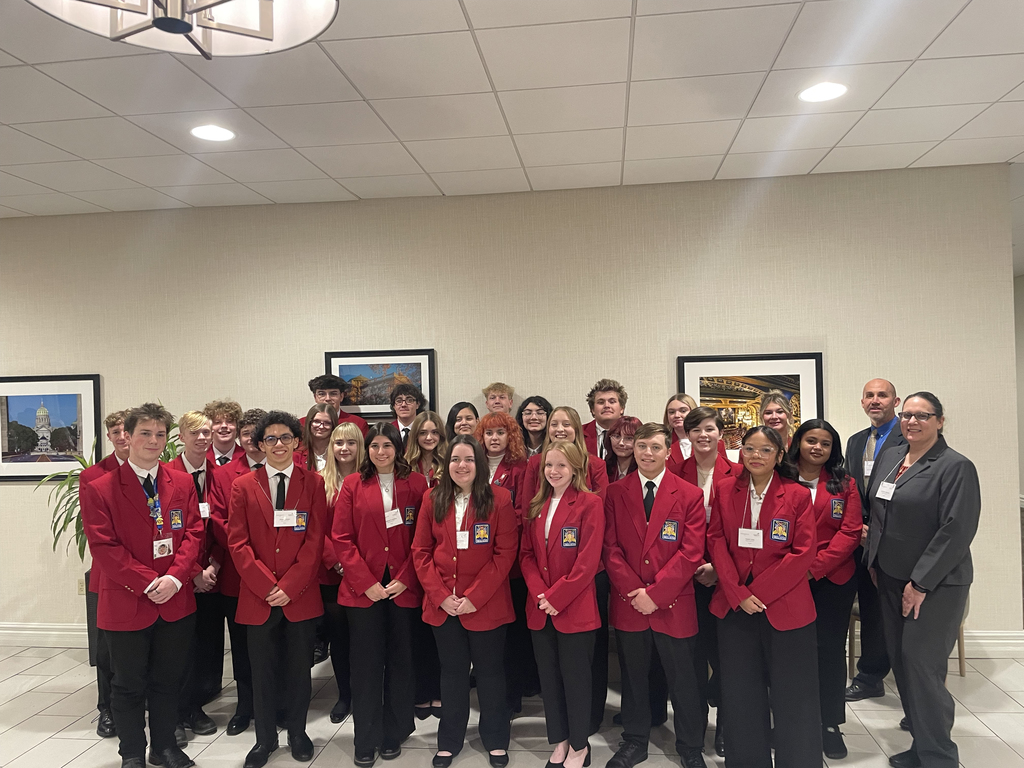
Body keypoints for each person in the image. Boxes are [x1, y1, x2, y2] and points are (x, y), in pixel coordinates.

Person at [81, 403, 204, 768]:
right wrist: (150, 581)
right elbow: (104, 547)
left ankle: (164, 747)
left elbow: (194, 531)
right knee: (128, 684)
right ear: (127, 438)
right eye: (145, 434)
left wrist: (174, 577)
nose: (153, 440)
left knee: (168, 681)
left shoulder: (180, 481)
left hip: (174, 599)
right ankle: (132, 752)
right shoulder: (100, 487)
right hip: (128, 601)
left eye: (160, 434)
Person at [864, 392, 980, 768]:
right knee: (901, 661)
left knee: (922, 666)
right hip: (891, 577)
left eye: (922, 416)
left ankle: (939, 757)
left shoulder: (954, 466)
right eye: (908, 415)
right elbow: (879, 513)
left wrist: (921, 584)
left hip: (935, 586)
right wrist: (873, 560)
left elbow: (955, 530)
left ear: (940, 421)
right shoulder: (893, 457)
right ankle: (921, 742)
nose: (912, 422)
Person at [707, 426, 821, 768]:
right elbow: (716, 542)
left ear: (780, 455)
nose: (756, 456)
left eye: (765, 450)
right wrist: (738, 593)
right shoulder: (725, 489)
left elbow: (803, 553)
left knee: (794, 695)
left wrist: (758, 593)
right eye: (749, 449)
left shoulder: (798, 494)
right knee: (741, 694)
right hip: (735, 607)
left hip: (785, 608)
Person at [603, 423, 708, 768]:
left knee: (684, 681)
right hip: (630, 601)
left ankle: (690, 746)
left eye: (655, 447)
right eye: (642, 446)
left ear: (668, 452)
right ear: (633, 449)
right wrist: (636, 591)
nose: (648, 453)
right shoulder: (616, 492)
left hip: (674, 604)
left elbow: (691, 552)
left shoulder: (689, 494)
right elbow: (610, 548)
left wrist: (656, 594)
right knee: (633, 679)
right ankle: (635, 741)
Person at [227, 411, 326, 768]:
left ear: (297, 442)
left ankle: (298, 733)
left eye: (285, 437)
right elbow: (237, 542)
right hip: (258, 597)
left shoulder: (313, 483)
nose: (279, 444)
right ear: (260, 445)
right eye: (271, 439)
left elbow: (315, 542)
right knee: (262, 671)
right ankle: (265, 739)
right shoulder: (243, 485)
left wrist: (290, 586)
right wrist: (268, 586)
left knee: (300, 671)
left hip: (300, 596)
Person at [412, 436, 517, 768]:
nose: (461, 465)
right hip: (443, 605)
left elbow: (505, 555)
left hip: (485, 604)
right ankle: (449, 740)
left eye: (469, 459)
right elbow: (420, 552)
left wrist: (474, 597)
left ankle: (496, 739)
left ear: (479, 464)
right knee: (452, 674)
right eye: (455, 459)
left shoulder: (499, 499)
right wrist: (441, 597)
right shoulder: (432, 498)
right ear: (447, 464)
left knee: (490, 674)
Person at [332, 423, 428, 766]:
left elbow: (424, 537)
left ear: (398, 448)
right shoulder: (352, 484)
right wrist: (364, 580)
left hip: (403, 588)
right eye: (375, 446)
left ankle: (395, 731)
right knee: (366, 665)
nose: (381, 452)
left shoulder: (417, 483)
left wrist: (405, 578)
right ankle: (365, 737)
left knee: (402, 662)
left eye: (388, 445)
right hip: (364, 591)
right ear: (367, 450)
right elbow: (341, 537)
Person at [517, 406, 609, 733]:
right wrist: (541, 593)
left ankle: (579, 743)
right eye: (549, 465)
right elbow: (527, 553)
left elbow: (587, 560)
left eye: (561, 465)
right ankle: (558, 739)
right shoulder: (537, 504)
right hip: (541, 602)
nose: (554, 471)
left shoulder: (590, 502)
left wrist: (557, 595)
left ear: (575, 467)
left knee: (577, 676)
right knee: (550, 679)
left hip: (574, 601)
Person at [788, 419, 862, 760]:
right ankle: (790, 721)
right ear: (798, 442)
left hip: (832, 580)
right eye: (811, 440)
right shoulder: (780, 477)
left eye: (826, 443)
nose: (817, 447)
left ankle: (829, 724)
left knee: (829, 653)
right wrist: (793, 570)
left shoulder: (843, 483)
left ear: (834, 450)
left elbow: (850, 533)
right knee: (789, 653)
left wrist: (814, 569)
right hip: (786, 581)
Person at [670, 406, 740, 758]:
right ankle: (693, 728)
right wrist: (695, 565)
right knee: (692, 659)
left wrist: (717, 568)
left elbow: (741, 530)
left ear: (719, 434)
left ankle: (726, 725)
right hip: (686, 578)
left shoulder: (739, 472)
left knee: (726, 657)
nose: (702, 435)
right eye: (694, 430)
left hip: (726, 578)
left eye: (709, 429)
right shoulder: (674, 471)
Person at [844, 379, 906, 703]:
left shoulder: (909, 438)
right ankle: (869, 676)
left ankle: (878, 675)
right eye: (870, 395)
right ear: (862, 402)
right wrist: (857, 525)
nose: (875, 400)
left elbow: (912, 494)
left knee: (882, 611)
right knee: (866, 604)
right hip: (858, 538)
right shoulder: (855, 442)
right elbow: (850, 488)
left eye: (882, 395)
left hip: (891, 540)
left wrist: (879, 529)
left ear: (896, 401)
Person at [209, 408, 265, 737]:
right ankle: (245, 707)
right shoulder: (223, 474)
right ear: (242, 438)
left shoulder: (288, 470)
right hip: (238, 575)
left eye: (258, 432)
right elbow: (218, 521)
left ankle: (277, 704)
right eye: (246, 433)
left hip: (278, 575)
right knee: (242, 647)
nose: (251, 438)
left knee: (275, 645)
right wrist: (251, 552)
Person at [171, 411, 227, 740]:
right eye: (195, 432)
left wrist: (214, 567)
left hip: (213, 575)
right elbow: (173, 533)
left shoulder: (219, 474)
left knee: (207, 644)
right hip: (179, 577)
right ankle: (175, 713)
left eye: (207, 431)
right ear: (181, 436)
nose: (203, 437)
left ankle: (195, 706)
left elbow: (227, 528)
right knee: (178, 648)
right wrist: (193, 573)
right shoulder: (168, 475)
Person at [475, 411, 535, 715]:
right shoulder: (471, 466)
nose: (494, 438)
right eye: (489, 433)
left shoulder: (521, 469)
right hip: (475, 564)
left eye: (500, 432)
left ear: (510, 436)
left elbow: (523, 511)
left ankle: (513, 695)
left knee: (512, 635)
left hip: (508, 564)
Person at [79, 408, 132, 741]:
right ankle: (107, 710)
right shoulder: (94, 477)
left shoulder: (160, 471)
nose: (123, 436)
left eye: (129, 430)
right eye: (116, 431)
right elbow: (99, 535)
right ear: (109, 437)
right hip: (110, 575)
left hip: (151, 577)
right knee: (107, 650)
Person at [318, 421, 365, 725]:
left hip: (365, 573)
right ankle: (345, 694)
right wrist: (337, 560)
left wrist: (357, 566)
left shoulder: (371, 480)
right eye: (338, 443)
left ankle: (366, 692)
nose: (344, 449)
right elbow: (314, 529)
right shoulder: (319, 482)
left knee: (364, 637)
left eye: (351, 443)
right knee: (340, 638)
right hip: (332, 573)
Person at [582, 379, 627, 459]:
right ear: (592, 409)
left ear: (622, 408)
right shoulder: (579, 434)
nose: (606, 406)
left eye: (612, 402)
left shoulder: (634, 434)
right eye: (601, 402)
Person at [406, 411, 447, 488]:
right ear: (416, 436)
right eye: (423, 433)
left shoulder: (449, 463)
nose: (429, 438)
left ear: (440, 435)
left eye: (434, 432)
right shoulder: (406, 464)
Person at [295, 403, 338, 473]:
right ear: (309, 423)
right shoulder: (297, 454)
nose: (321, 426)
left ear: (333, 425)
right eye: (316, 421)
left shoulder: (339, 453)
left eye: (327, 423)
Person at [204, 399, 245, 466]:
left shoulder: (247, 457)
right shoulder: (200, 457)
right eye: (217, 422)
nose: (224, 426)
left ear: (237, 426)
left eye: (229, 421)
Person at [603, 416, 641, 482]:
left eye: (629, 438)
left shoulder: (644, 470)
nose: (621, 443)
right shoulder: (604, 467)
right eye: (617, 436)